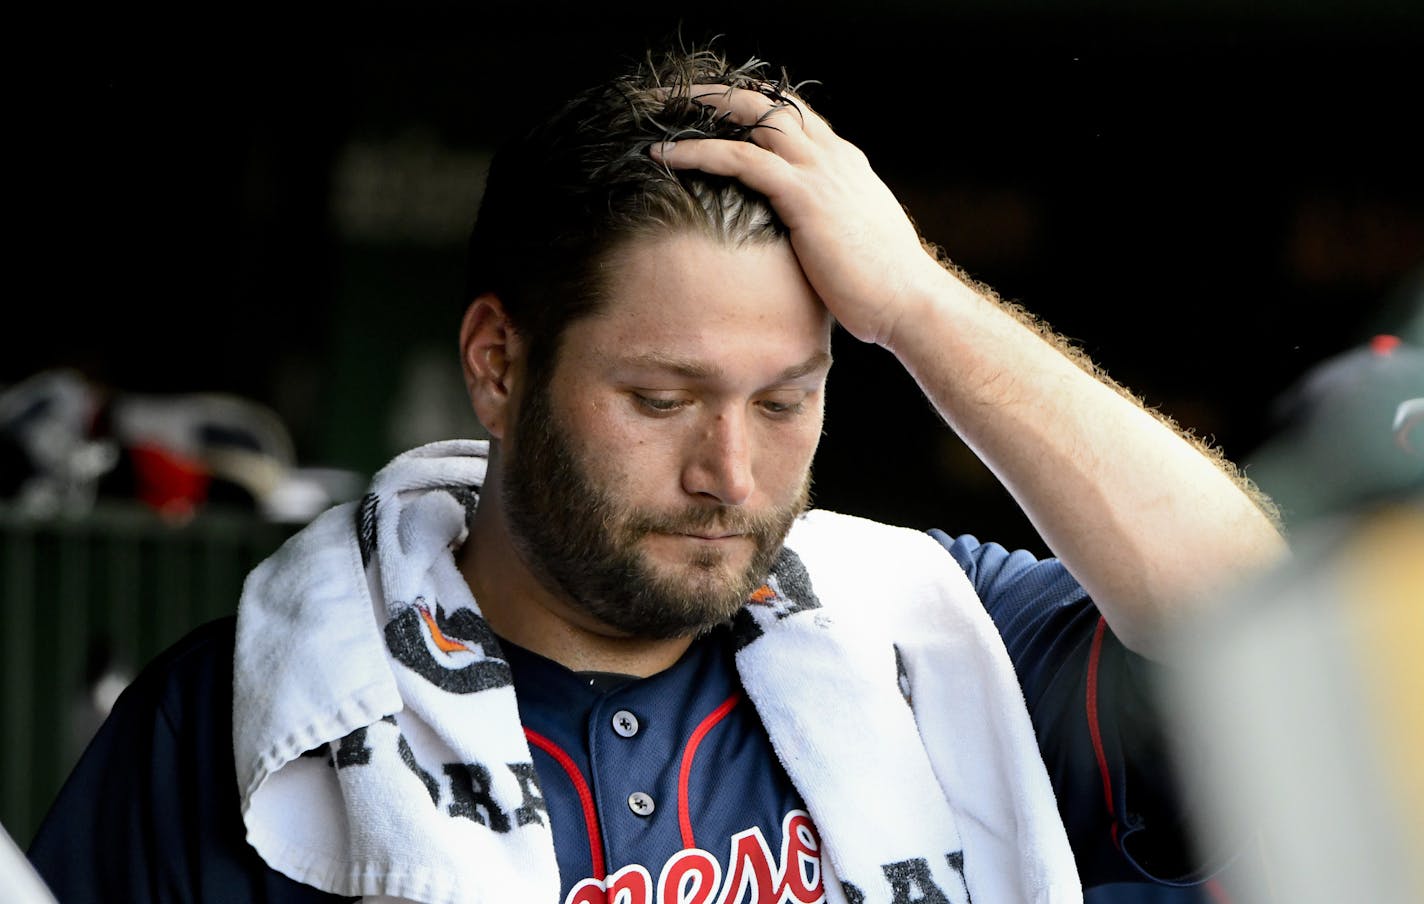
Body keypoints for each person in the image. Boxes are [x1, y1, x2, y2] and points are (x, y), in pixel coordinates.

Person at [28, 46, 1285, 903]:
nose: (728, 472)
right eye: (659, 398)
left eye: (786, 400)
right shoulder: (253, 717)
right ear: (498, 363)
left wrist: (910, 303)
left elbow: (1259, 632)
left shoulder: (930, 638)